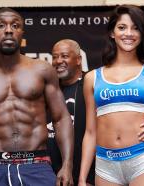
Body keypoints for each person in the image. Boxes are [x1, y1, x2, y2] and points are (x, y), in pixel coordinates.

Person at [0, 8, 74, 186]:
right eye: (1, 25)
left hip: (37, 166)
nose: (9, 30)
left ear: (22, 34)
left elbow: (61, 118)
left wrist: (67, 165)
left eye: (15, 25)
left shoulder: (42, 70)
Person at [79, 5, 144, 186]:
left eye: (135, 28)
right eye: (122, 27)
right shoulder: (92, 78)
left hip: (143, 160)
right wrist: (81, 178)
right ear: (112, 32)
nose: (129, 33)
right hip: (105, 165)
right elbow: (90, 132)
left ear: (142, 34)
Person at [48, 39, 95, 185]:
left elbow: (97, 133)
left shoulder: (91, 84)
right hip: (50, 177)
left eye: (64, 56)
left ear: (79, 59)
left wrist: (87, 179)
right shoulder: (48, 89)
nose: (58, 61)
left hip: (85, 177)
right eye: (55, 57)